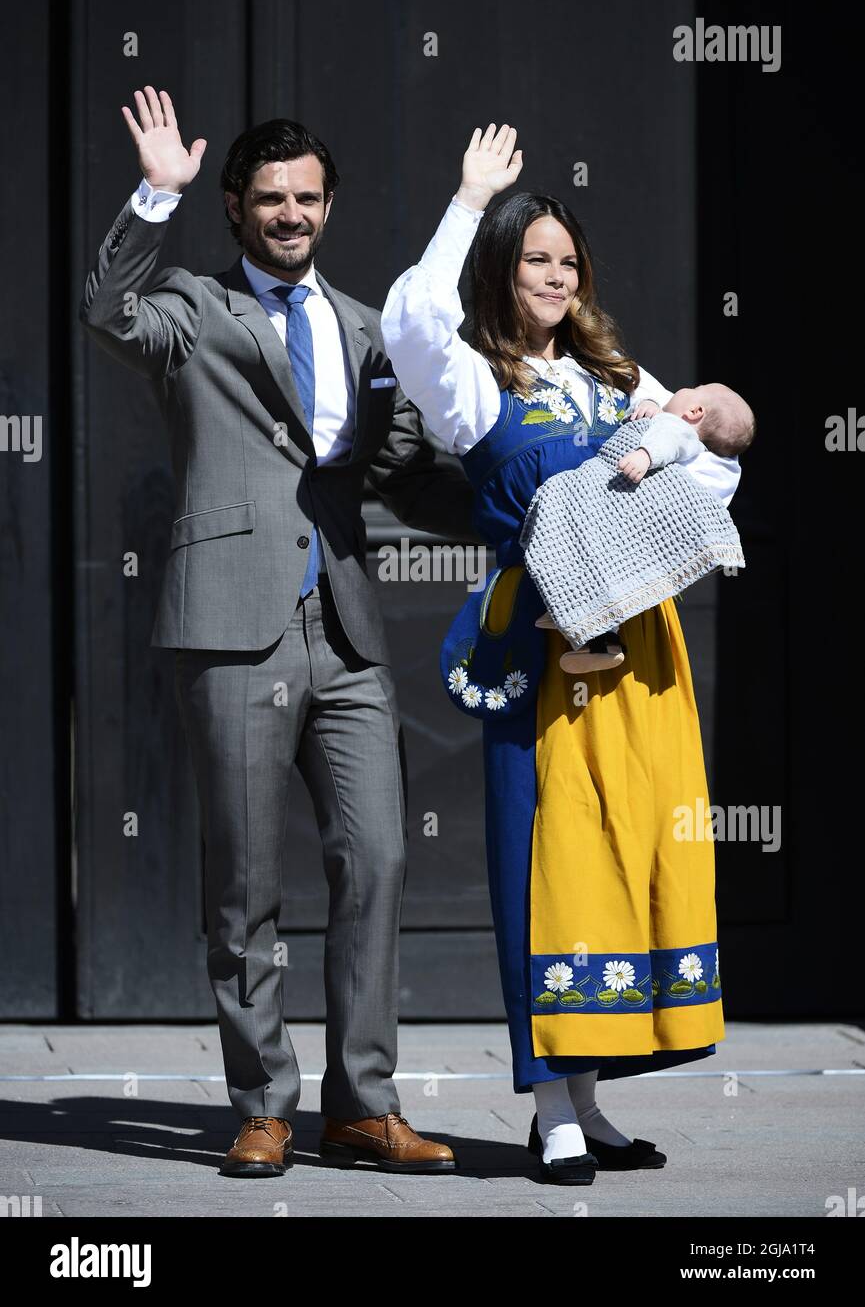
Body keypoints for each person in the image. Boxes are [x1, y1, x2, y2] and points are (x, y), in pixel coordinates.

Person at [79, 85, 482, 1178]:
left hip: (344, 629)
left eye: (307, 197)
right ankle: (261, 1102)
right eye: (269, 198)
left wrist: (519, 510)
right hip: (230, 626)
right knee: (245, 884)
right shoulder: (195, 312)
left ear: (329, 205)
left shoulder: (365, 329)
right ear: (233, 206)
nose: (290, 214)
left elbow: (401, 466)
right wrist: (148, 200)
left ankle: (362, 1106)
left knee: (380, 860)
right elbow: (106, 310)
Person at [381, 123, 740, 1184]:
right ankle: (549, 1105)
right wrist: (464, 202)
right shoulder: (475, 382)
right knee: (541, 866)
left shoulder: (615, 371)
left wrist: (679, 447)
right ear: (500, 268)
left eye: (566, 260)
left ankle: (593, 1096)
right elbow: (408, 320)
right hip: (539, 641)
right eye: (534, 256)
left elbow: (712, 458)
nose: (553, 273)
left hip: (638, 643)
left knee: (621, 861)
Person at [523, 382, 755, 672]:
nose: (682, 387)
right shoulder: (706, 456)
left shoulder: (676, 430)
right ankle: (581, 620)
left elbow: (669, 436)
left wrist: (645, 454)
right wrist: (653, 409)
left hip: (633, 499)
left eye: (695, 388)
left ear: (695, 411)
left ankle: (582, 613)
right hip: (654, 526)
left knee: (575, 513)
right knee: (621, 569)